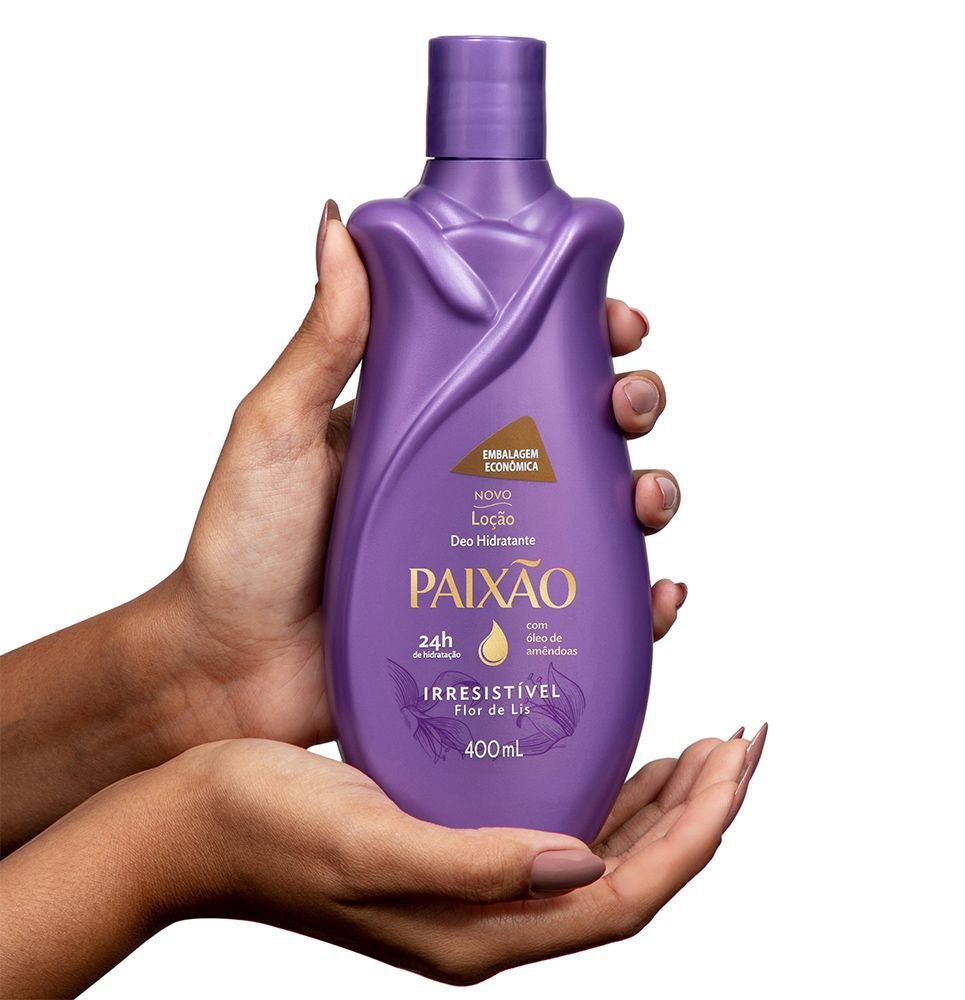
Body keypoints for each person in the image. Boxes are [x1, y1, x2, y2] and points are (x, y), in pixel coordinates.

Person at [0, 200, 767, 997]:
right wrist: (175, 845)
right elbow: (173, 842)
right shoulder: (419, 237)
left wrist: (197, 667)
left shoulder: (539, 235)